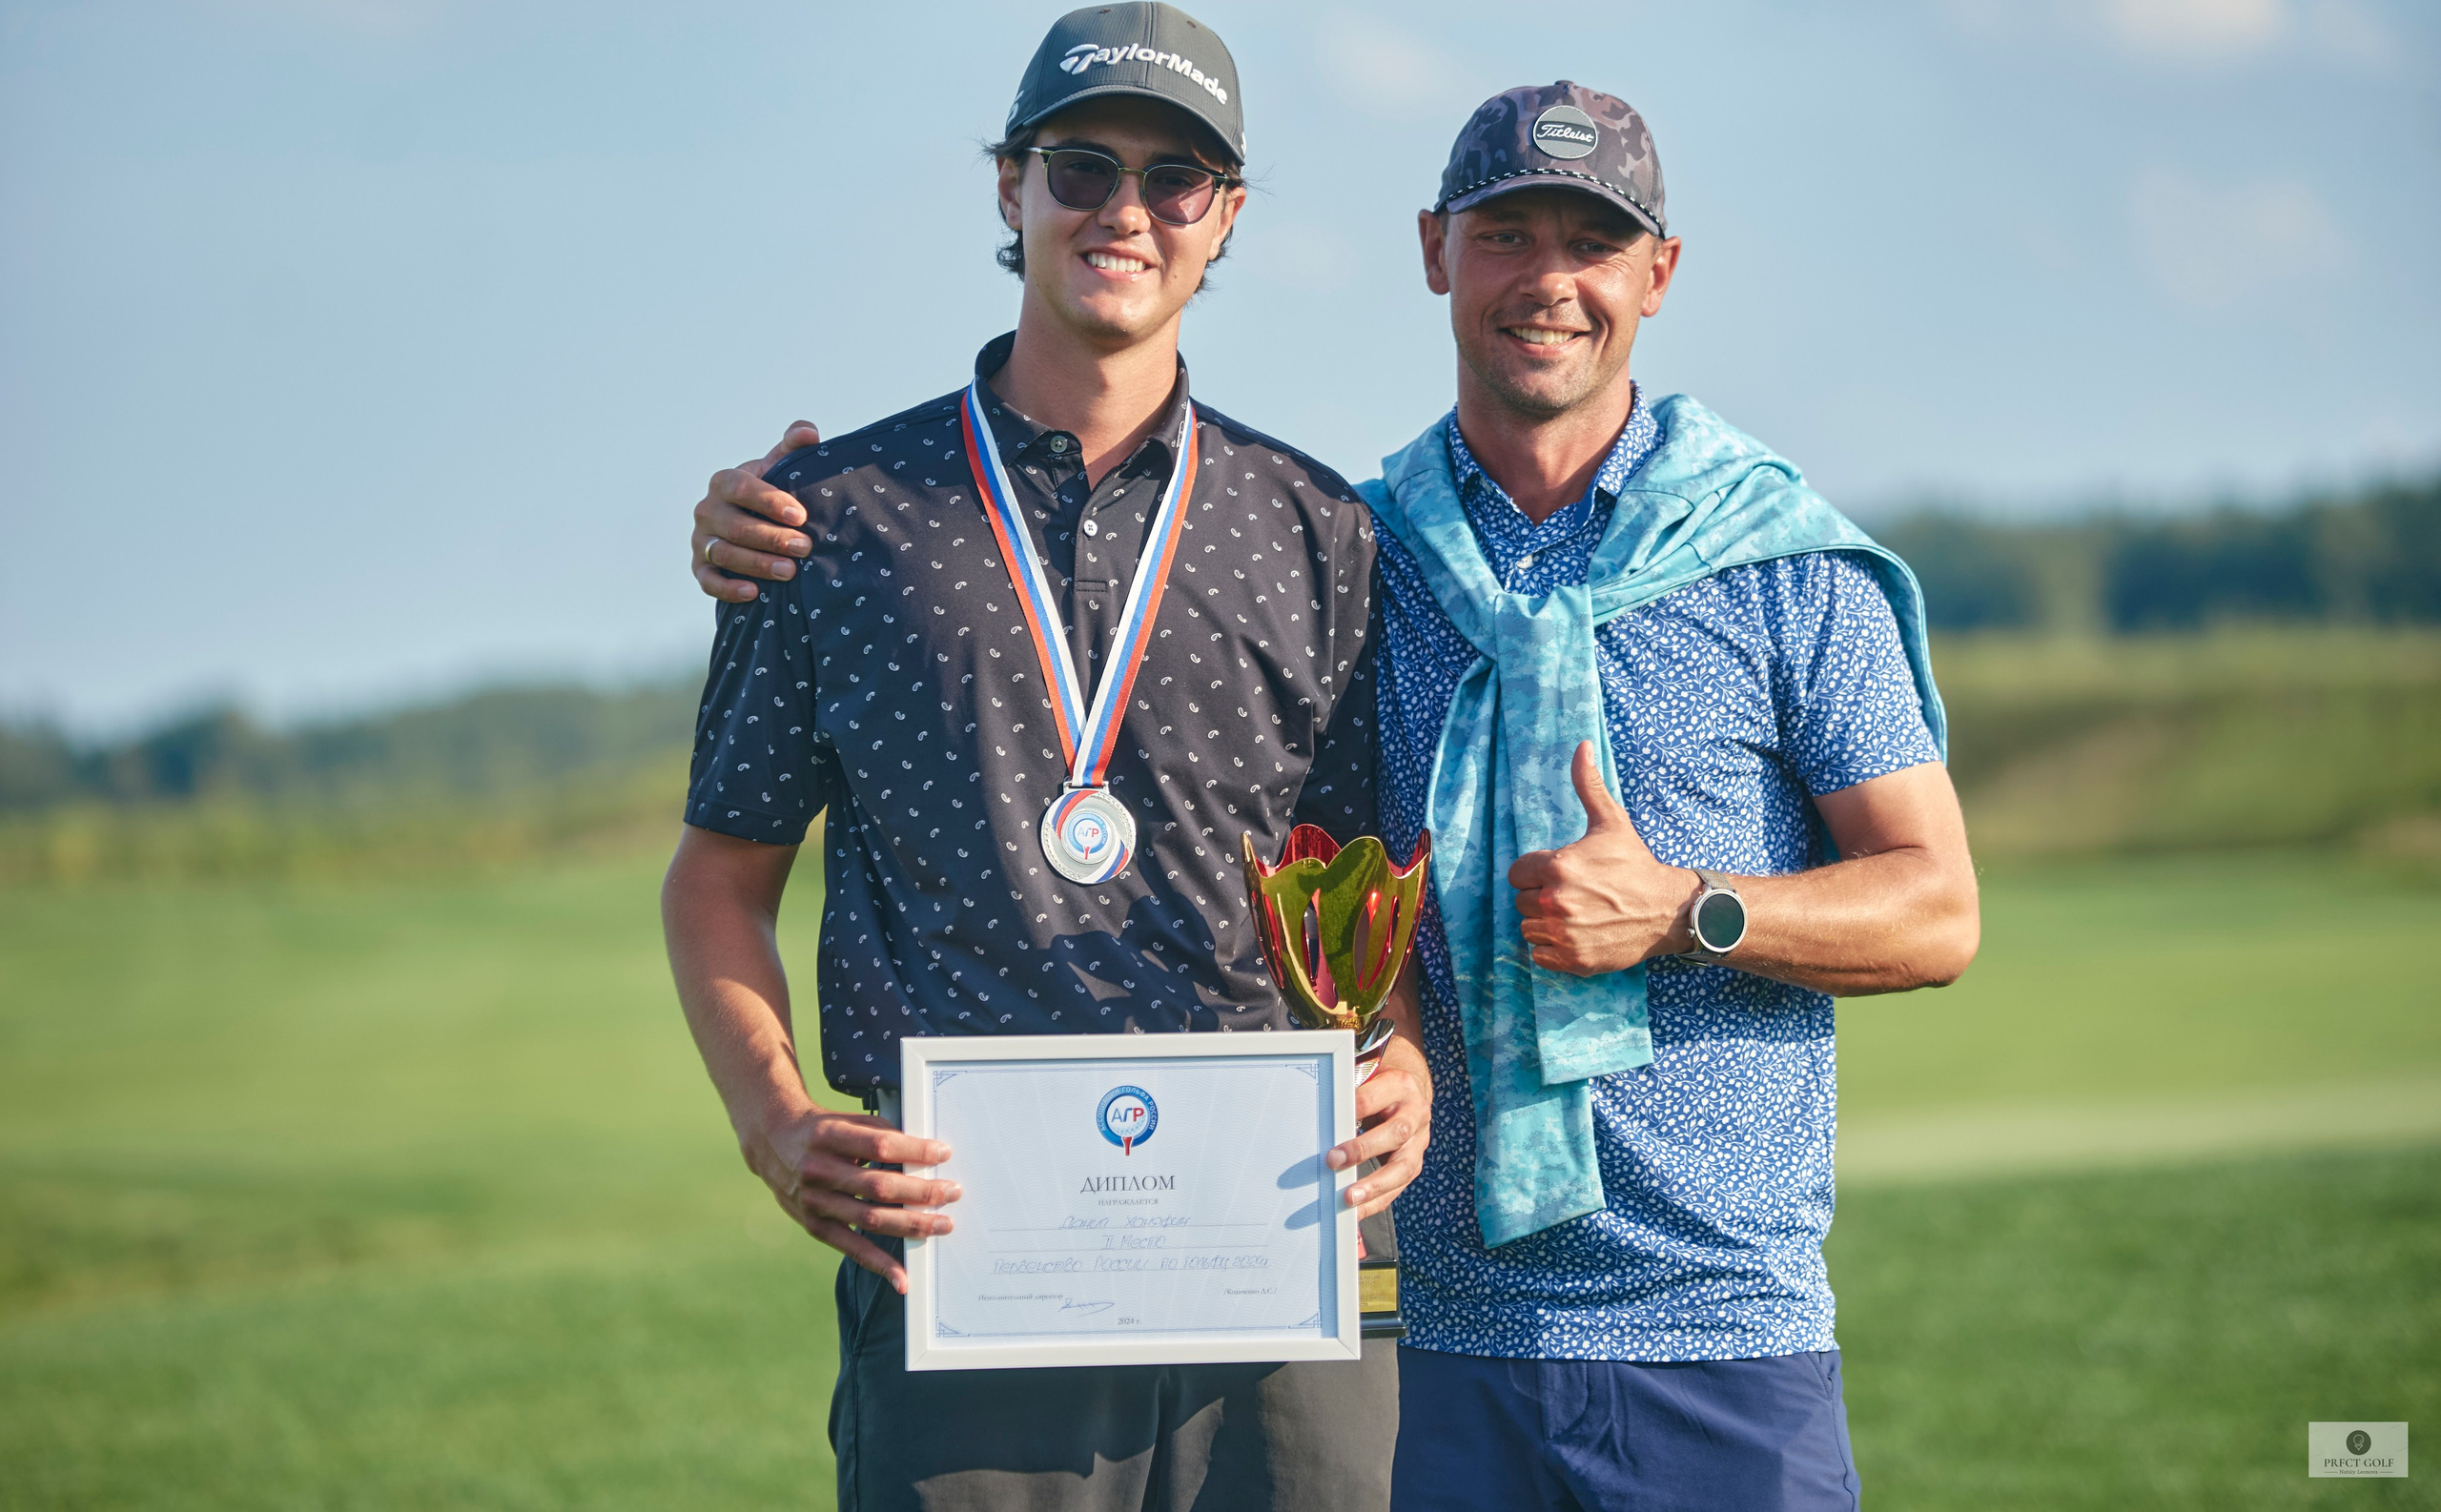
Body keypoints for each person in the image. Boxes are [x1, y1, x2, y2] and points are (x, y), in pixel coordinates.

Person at [696, 81, 1980, 1512]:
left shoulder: (1788, 564)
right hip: (1422, 1333)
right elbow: (1345, 892)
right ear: (1436, 251)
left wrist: (1691, 909)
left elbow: (1936, 911)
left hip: (1721, 1334)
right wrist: (760, 525)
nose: (1548, 282)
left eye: (1593, 243)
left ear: (1656, 275)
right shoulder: (1362, 551)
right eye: (1506, 237)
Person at [662, 0, 1426, 1512]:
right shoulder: (829, 522)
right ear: (1008, 189)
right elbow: (719, 879)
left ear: (1228, 221)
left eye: (1174, 179)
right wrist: (772, 1119)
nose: (1124, 210)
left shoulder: (1322, 530)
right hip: (960, 1256)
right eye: (1082, 167)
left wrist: (1398, 1052)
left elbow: (1367, 892)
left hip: (1277, 1249)